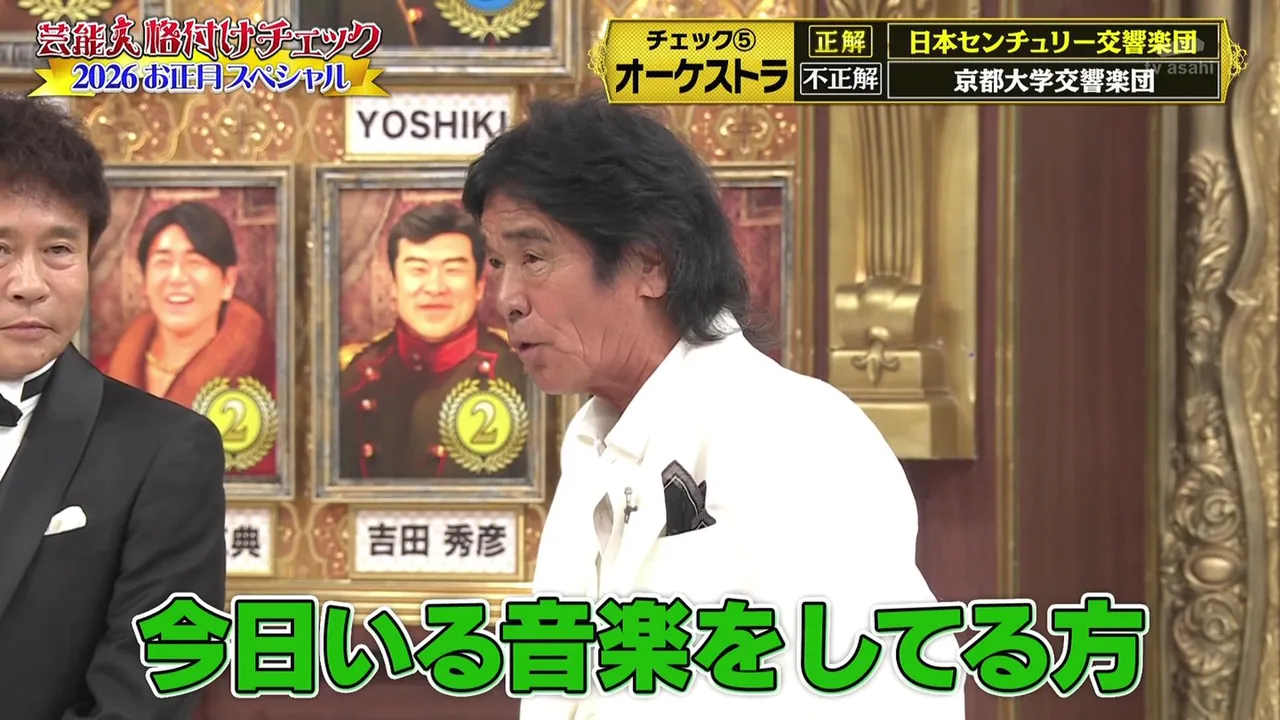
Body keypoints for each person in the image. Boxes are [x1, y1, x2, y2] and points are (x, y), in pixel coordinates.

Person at [463, 92, 965, 719]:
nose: (506, 298)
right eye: (496, 262)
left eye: (533, 258)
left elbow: (894, 690)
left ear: (650, 262)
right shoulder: (591, 447)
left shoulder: (798, 435)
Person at [0, 93, 226, 719]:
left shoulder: (165, 450)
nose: (29, 284)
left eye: (59, 250)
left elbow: (144, 697)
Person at [339, 201, 525, 479]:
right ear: (394, 285)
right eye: (418, 270)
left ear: (479, 287)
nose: (435, 288)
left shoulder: (519, 380)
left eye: (453, 270)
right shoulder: (355, 380)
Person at [99, 200, 272, 410]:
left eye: (195, 262)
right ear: (144, 281)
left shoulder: (270, 381)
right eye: (163, 262)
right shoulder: (101, 377)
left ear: (228, 281)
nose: (177, 277)